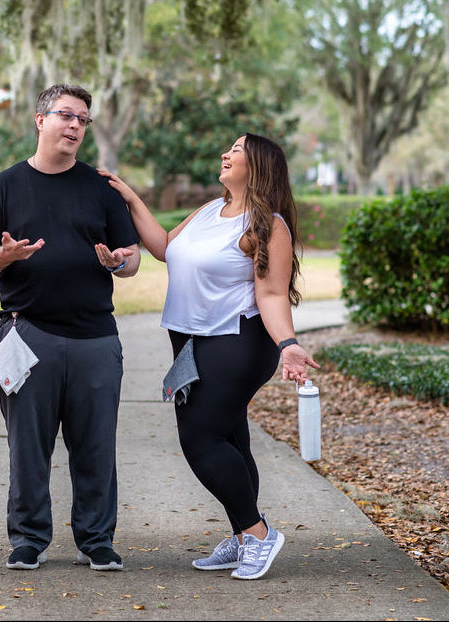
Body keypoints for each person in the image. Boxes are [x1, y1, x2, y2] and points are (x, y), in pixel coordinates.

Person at [98, 132, 320, 580]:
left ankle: (256, 534)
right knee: (230, 437)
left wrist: (288, 345)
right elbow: (162, 247)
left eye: (236, 150)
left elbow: (273, 293)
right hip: (192, 341)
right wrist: (130, 198)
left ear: (257, 166)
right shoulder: (207, 213)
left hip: (237, 339)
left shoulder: (267, 225)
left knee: (199, 438)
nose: (225, 153)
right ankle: (243, 537)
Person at [0, 84, 141, 572]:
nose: (75, 126)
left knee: (96, 445)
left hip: (95, 338)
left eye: (83, 120)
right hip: (28, 334)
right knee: (28, 446)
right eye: (66, 115)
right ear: (39, 120)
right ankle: (27, 539)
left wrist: (117, 263)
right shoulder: (6, 185)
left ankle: (96, 539)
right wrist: (5, 255)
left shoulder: (100, 188)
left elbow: (132, 260)